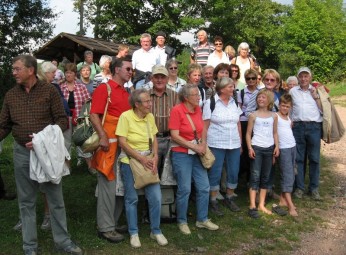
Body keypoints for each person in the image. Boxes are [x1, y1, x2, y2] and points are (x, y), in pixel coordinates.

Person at [0, 55, 82, 255]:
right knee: (26, 201)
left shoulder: (49, 91)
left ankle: (63, 242)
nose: (14, 72)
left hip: (46, 153)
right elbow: (4, 125)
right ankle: (29, 246)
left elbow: (62, 121)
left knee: (55, 199)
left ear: (30, 70)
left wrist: (41, 139)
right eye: (13, 69)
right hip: (22, 153)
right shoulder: (11, 95)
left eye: (17, 69)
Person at [116, 89, 168, 248]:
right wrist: (142, 159)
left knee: (156, 197)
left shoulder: (150, 117)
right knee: (131, 198)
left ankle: (156, 231)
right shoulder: (125, 116)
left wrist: (155, 156)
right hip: (130, 161)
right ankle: (133, 232)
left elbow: (154, 139)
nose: (150, 104)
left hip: (149, 160)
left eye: (149, 101)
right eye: (146, 102)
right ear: (137, 104)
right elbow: (122, 143)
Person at [89, 56, 133, 243]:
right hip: (108, 145)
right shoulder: (104, 89)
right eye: (128, 69)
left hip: (123, 145)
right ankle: (105, 228)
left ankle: (112, 222)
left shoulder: (126, 91)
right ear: (116, 70)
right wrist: (103, 136)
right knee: (108, 185)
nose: (131, 72)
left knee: (122, 185)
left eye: (132, 69)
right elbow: (94, 115)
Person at [169, 84, 219, 235]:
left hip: (198, 153)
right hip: (181, 153)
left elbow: (202, 128)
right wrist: (195, 147)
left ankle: (202, 219)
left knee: (204, 187)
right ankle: (182, 221)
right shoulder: (177, 110)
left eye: (198, 94)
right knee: (185, 189)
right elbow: (174, 135)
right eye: (195, 95)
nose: (199, 97)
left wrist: (203, 144)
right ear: (186, 98)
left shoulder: (197, 109)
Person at [203, 77, 242, 216]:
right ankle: (213, 199)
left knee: (233, 170)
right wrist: (204, 144)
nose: (233, 89)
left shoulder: (234, 102)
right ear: (222, 88)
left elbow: (238, 123)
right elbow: (205, 126)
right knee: (215, 171)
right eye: (230, 87)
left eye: (233, 86)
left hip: (234, 143)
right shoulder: (211, 103)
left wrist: (241, 143)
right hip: (216, 143)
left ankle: (229, 197)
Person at [289, 67, 323, 201]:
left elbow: (323, 110)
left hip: (314, 126)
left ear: (310, 77)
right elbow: (290, 109)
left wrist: (316, 97)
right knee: (299, 159)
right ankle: (300, 188)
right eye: (301, 76)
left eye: (306, 76)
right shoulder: (293, 91)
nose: (303, 79)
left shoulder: (316, 90)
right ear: (298, 78)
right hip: (298, 127)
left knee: (314, 158)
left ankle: (314, 188)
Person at [246, 89, 279, 219]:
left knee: (265, 177)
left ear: (269, 100)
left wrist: (277, 146)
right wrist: (250, 148)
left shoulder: (274, 116)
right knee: (255, 176)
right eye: (259, 97)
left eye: (263, 97)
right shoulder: (253, 115)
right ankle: (252, 205)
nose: (260, 99)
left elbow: (275, 133)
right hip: (257, 148)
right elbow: (248, 134)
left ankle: (261, 204)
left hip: (269, 148)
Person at [60, 63, 93, 172]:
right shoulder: (61, 87)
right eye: (66, 72)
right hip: (66, 118)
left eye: (71, 73)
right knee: (66, 143)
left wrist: (86, 116)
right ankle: (67, 167)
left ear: (75, 74)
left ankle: (90, 165)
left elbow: (88, 101)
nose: (68, 75)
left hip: (80, 118)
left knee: (83, 140)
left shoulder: (81, 87)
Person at [276, 94, 298, 217]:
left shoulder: (288, 117)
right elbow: (274, 133)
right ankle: (290, 205)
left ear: (290, 107)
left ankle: (282, 200)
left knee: (292, 173)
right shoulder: (276, 117)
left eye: (287, 106)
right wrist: (276, 147)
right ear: (279, 105)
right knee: (287, 175)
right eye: (283, 105)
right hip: (283, 148)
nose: (285, 108)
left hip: (292, 146)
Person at [238, 69, 259, 184]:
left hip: (257, 122)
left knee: (255, 146)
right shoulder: (241, 92)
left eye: (253, 78)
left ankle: (252, 175)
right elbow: (240, 108)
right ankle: (244, 174)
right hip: (244, 121)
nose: (251, 80)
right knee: (246, 147)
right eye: (248, 78)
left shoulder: (261, 91)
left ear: (256, 79)